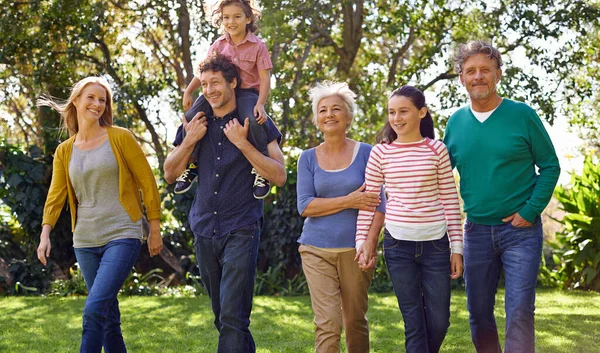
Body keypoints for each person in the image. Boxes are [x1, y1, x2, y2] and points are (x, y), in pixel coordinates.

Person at [163, 54, 286, 353]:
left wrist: (242, 143)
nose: (209, 90)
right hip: (205, 227)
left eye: (215, 82)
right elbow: (169, 173)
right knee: (224, 316)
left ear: (233, 82)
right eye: (204, 84)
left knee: (232, 315)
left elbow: (279, 175)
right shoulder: (195, 122)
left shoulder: (255, 121)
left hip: (241, 226)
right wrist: (190, 140)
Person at [444, 40, 560, 353]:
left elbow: (550, 166)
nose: (478, 76)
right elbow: (439, 177)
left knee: (520, 310)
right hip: (476, 232)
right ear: (462, 79)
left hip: (520, 232)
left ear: (498, 75)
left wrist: (531, 210)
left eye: (485, 69)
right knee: (479, 314)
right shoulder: (455, 123)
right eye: (471, 71)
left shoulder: (522, 115)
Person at [36, 76, 163, 353]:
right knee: (108, 318)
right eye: (91, 97)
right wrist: (45, 233)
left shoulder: (120, 137)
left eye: (102, 100)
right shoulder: (64, 151)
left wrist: (154, 226)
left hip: (122, 233)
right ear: (77, 101)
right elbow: (55, 196)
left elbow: (147, 181)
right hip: (85, 241)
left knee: (94, 309)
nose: (97, 104)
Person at [356, 86, 463, 353]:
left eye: (403, 111)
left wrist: (457, 249)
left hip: (436, 245)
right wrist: (362, 241)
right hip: (398, 246)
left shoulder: (436, 150)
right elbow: (370, 202)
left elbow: (450, 200)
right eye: (392, 112)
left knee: (439, 322)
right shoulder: (381, 153)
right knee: (414, 323)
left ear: (421, 112)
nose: (397, 118)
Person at [296, 81, 386, 353]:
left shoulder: (368, 153)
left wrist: (370, 243)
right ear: (317, 119)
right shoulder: (307, 158)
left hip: (355, 250)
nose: (329, 114)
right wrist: (350, 200)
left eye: (337, 109)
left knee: (355, 320)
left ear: (348, 117)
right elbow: (305, 206)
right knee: (328, 322)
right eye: (323, 110)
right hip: (315, 248)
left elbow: (380, 203)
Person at [175, 0, 273, 199]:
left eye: (237, 16)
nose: (231, 21)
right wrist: (189, 90)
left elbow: (265, 78)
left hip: (246, 92)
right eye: (226, 17)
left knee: (253, 120)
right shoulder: (218, 45)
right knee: (192, 116)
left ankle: (262, 171)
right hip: (220, 89)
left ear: (248, 19)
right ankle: (192, 163)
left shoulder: (258, 46)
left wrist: (261, 104)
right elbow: (203, 71)